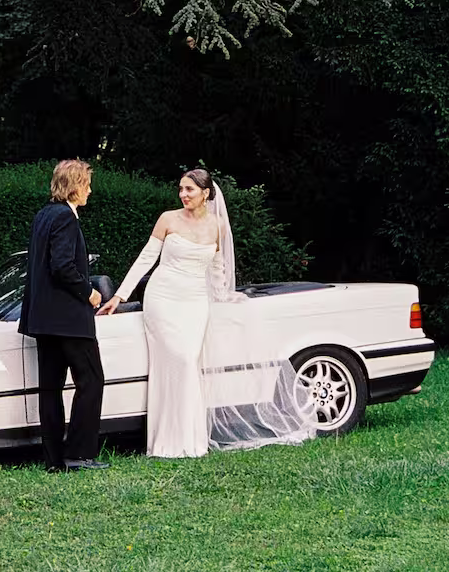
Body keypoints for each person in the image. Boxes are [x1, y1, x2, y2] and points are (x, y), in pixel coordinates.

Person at [100, 168, 317, 457]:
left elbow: (217, 267)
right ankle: (167, 441)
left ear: (206, 193)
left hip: (195, 302)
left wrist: (224, 295)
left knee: (189, 361)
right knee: (178, 360)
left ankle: (191, 440)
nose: (183, 195)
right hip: (163, 298)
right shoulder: (168, 218)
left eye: (189, 189)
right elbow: (146, 259)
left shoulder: (217, 226)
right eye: (180, 189)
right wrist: (119, 295)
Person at [19, 159, 109, 472]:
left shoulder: (43, 215)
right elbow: (62, 267)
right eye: (86, 184)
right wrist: (90, 292)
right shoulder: (66, 218)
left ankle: (54, 460)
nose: (89, 190)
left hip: (43, 320)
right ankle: (80, 453)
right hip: (69, 318)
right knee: (92, 380)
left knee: (50, 389)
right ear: (73, 186)